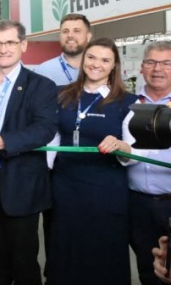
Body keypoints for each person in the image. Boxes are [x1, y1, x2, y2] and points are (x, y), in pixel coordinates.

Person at [0, 20, 58, 285]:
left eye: (10, 42)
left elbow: (44, 129)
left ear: (23, 45)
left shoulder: (41, 85)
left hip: (21, 184)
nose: (3, 49)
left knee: (23, 260)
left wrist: (2, 141)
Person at [46, 37, 137, 285]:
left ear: (114, 65)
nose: (97, 64)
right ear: (83, 59)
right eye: (92, 57)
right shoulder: (62, 94)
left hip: (105, 189)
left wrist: (120, 146)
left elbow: (134, 150)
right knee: (66, 248)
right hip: (65, 186)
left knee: (104, 250)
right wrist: (44, 173)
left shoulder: (128, 102)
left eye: (105, 60)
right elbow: (53, 139)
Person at [121, 41, 171, 285]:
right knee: (147, 269)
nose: (157, 68)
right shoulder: (126, 104)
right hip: (137, 204)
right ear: (142, 67)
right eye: (151, 62)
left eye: (166, 63)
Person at [33, 13, 92, 86]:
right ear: (60, 36)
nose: (70, 35)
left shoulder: (99, 68)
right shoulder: (42, 71)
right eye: (65, 31)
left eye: (76, 31)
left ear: (88, 37)